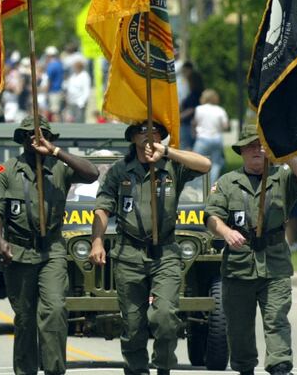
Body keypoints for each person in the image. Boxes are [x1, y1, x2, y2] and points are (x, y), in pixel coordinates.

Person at [88, 122, 211, 375]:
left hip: (165, 253)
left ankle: (163, 366)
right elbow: (102, 207)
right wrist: (97, 240)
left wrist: (167, 152)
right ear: (133, 137)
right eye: (143, 132)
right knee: (133, 326)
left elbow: (205, 165)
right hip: (128, 254)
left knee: (165, 318)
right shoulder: (119, 171)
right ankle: (137, 370)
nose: (149, 137)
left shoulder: (172, 167)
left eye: (155, 132)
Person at [0, 115, 99, 375]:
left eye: (40, 134)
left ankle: (54, 370)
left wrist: (56, 152)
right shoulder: (7, 171)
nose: (34, 139)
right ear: (21, 139)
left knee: (55, 310)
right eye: (28, 135)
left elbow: (91, 174)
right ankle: (25, 371)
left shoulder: (60, 168)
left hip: (52, 251)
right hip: (19, 251)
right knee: (25, 318)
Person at [204, 124, 297, 375]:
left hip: (274, 263)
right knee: (239, 328)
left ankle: (280, 366)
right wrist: (225, 232)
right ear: (241, 151)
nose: (256, 150)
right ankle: (245, 368)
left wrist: (285, 153)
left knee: (276, 319)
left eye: (260, 145)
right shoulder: (227, 182)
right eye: (250, 146)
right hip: (238, 266)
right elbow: (212, 216)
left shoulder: (282, 176)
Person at [192, 88, 229, 184]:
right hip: (216, 139)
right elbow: (225, 126)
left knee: (196, 163)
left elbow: (194, 123)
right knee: (215, 164)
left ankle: (198, 186)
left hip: (203, 139)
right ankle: (211, 186)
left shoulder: (199, 109)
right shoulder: (220, 110)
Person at [178, 62, 203, 150]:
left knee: (186, 149)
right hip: (189, 124)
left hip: (187, 124)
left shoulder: (194, 94)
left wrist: (179, 117)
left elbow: (192, 109)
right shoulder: (196, 93)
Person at [62, 56, 91, 123]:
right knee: (71, 120)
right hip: (71, 102)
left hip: (79, 102)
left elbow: (86, 90)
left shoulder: (85, 76)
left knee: (79, 120)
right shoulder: (73, 76)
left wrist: (82, 101)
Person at [43, 46, 64, 122]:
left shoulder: (51, 65)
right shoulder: (59, 64)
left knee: (54, 112)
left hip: (54, 91)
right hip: (59, 90)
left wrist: (46, 92)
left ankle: (58, 129)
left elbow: (49, 80)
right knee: (57, 111)